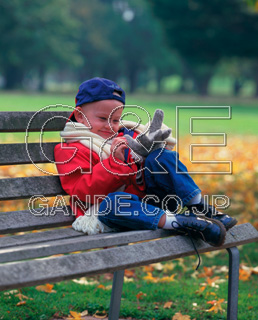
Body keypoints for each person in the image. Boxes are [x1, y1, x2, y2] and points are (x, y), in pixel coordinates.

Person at [54, 77, 237, 250]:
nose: (110, 126)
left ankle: (200, 207)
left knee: (161, 156)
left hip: (151, 202)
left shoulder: (127, 136)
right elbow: (82, 191)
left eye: (116, 120)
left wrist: (149, 150)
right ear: (79, 116)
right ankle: (181, 222)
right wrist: (114, 162)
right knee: (112, 204)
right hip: (112, 211)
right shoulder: (70, 150)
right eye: (102, 119)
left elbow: (149, 167)